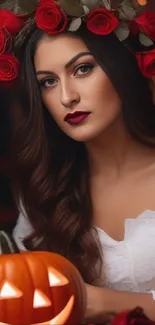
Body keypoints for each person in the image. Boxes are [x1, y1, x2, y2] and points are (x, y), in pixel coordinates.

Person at [3, 0, 155, 322]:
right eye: (49, 81)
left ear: (121, 67)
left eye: (82, 68)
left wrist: (99, 301)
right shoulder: (44, 190)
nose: (66, 97)